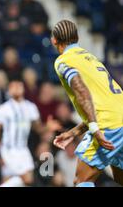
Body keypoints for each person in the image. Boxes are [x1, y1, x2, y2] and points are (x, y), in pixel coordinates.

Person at [51, 20, 123, 186]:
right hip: (119, 118)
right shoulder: (91, 58)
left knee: (82, 181)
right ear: (77, 37)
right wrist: (74, 132)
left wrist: (94, 128)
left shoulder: (63, 61)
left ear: (54, 40)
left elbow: (81, 90)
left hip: (108, 125)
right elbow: (104, 103)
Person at [0, 79, 61, 187]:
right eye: (13, 86)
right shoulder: (4, 109)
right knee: (27, 179)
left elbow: (38, 128)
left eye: (19, 86)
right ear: (9, 90)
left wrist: (47, 127)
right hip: (9, 149)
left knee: (14, 179)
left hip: (23, 149)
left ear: (23, 88)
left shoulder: (31, 107)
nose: (16, 89)